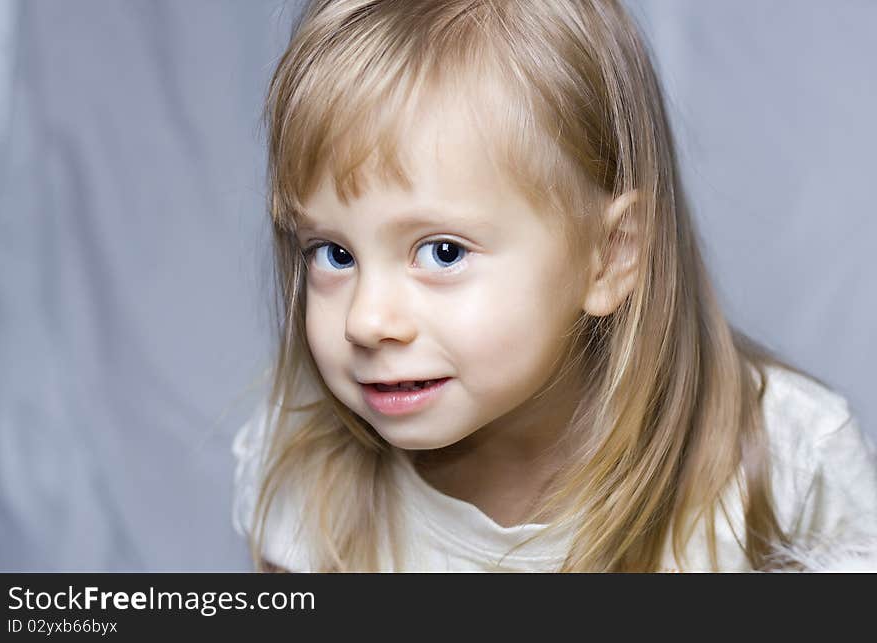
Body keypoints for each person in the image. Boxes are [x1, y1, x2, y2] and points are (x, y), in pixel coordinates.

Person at [232, 0, 877, 572]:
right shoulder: (305, 480)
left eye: (443, 251)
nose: (366, 321)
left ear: (611, 254)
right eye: (333, 254)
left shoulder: (791, 470)